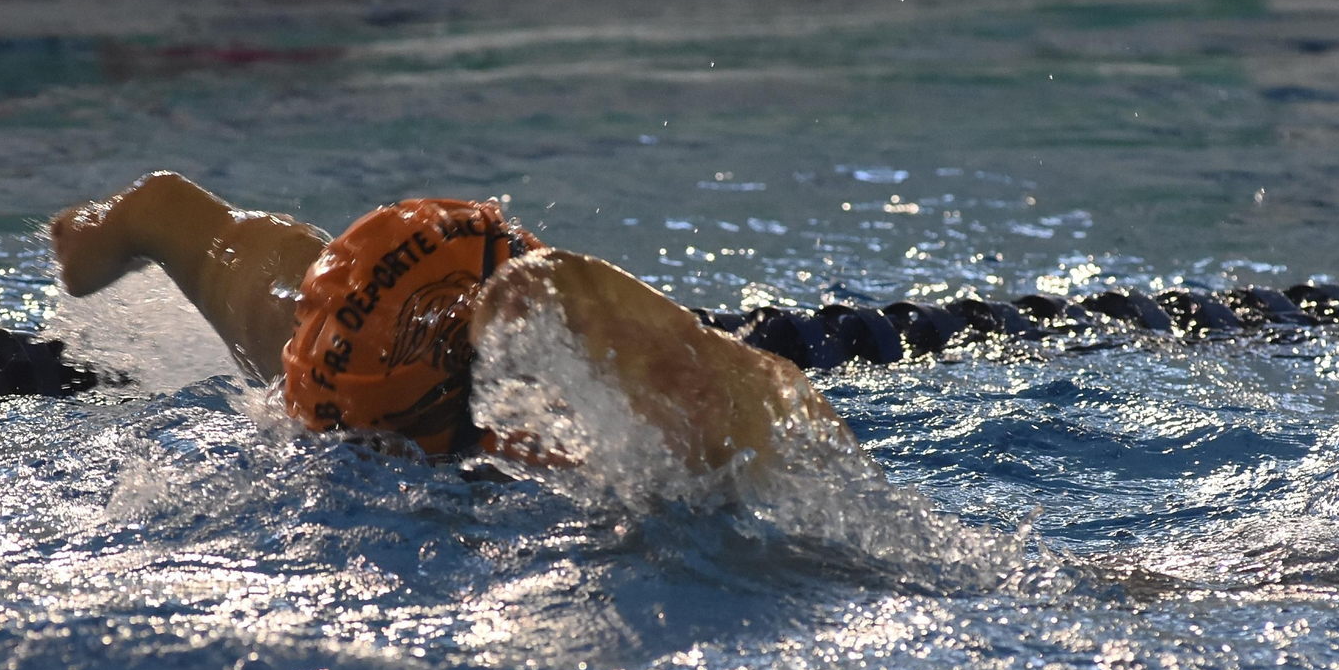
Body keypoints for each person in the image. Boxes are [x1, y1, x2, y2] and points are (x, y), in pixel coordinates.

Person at [47, 171, 864, 477]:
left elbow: (162, 205)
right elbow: (162, 206)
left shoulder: (317, 353)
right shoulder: (293, 329)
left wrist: (88, 237)